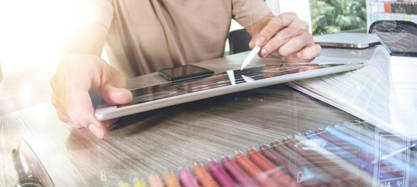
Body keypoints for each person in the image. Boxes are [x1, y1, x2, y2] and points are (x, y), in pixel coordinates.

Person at [51, 0, 321, 139]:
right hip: (139, 122)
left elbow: (267, 28)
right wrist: (77, 60)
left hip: (224, 114)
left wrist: (289, 40)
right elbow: (84, 37)